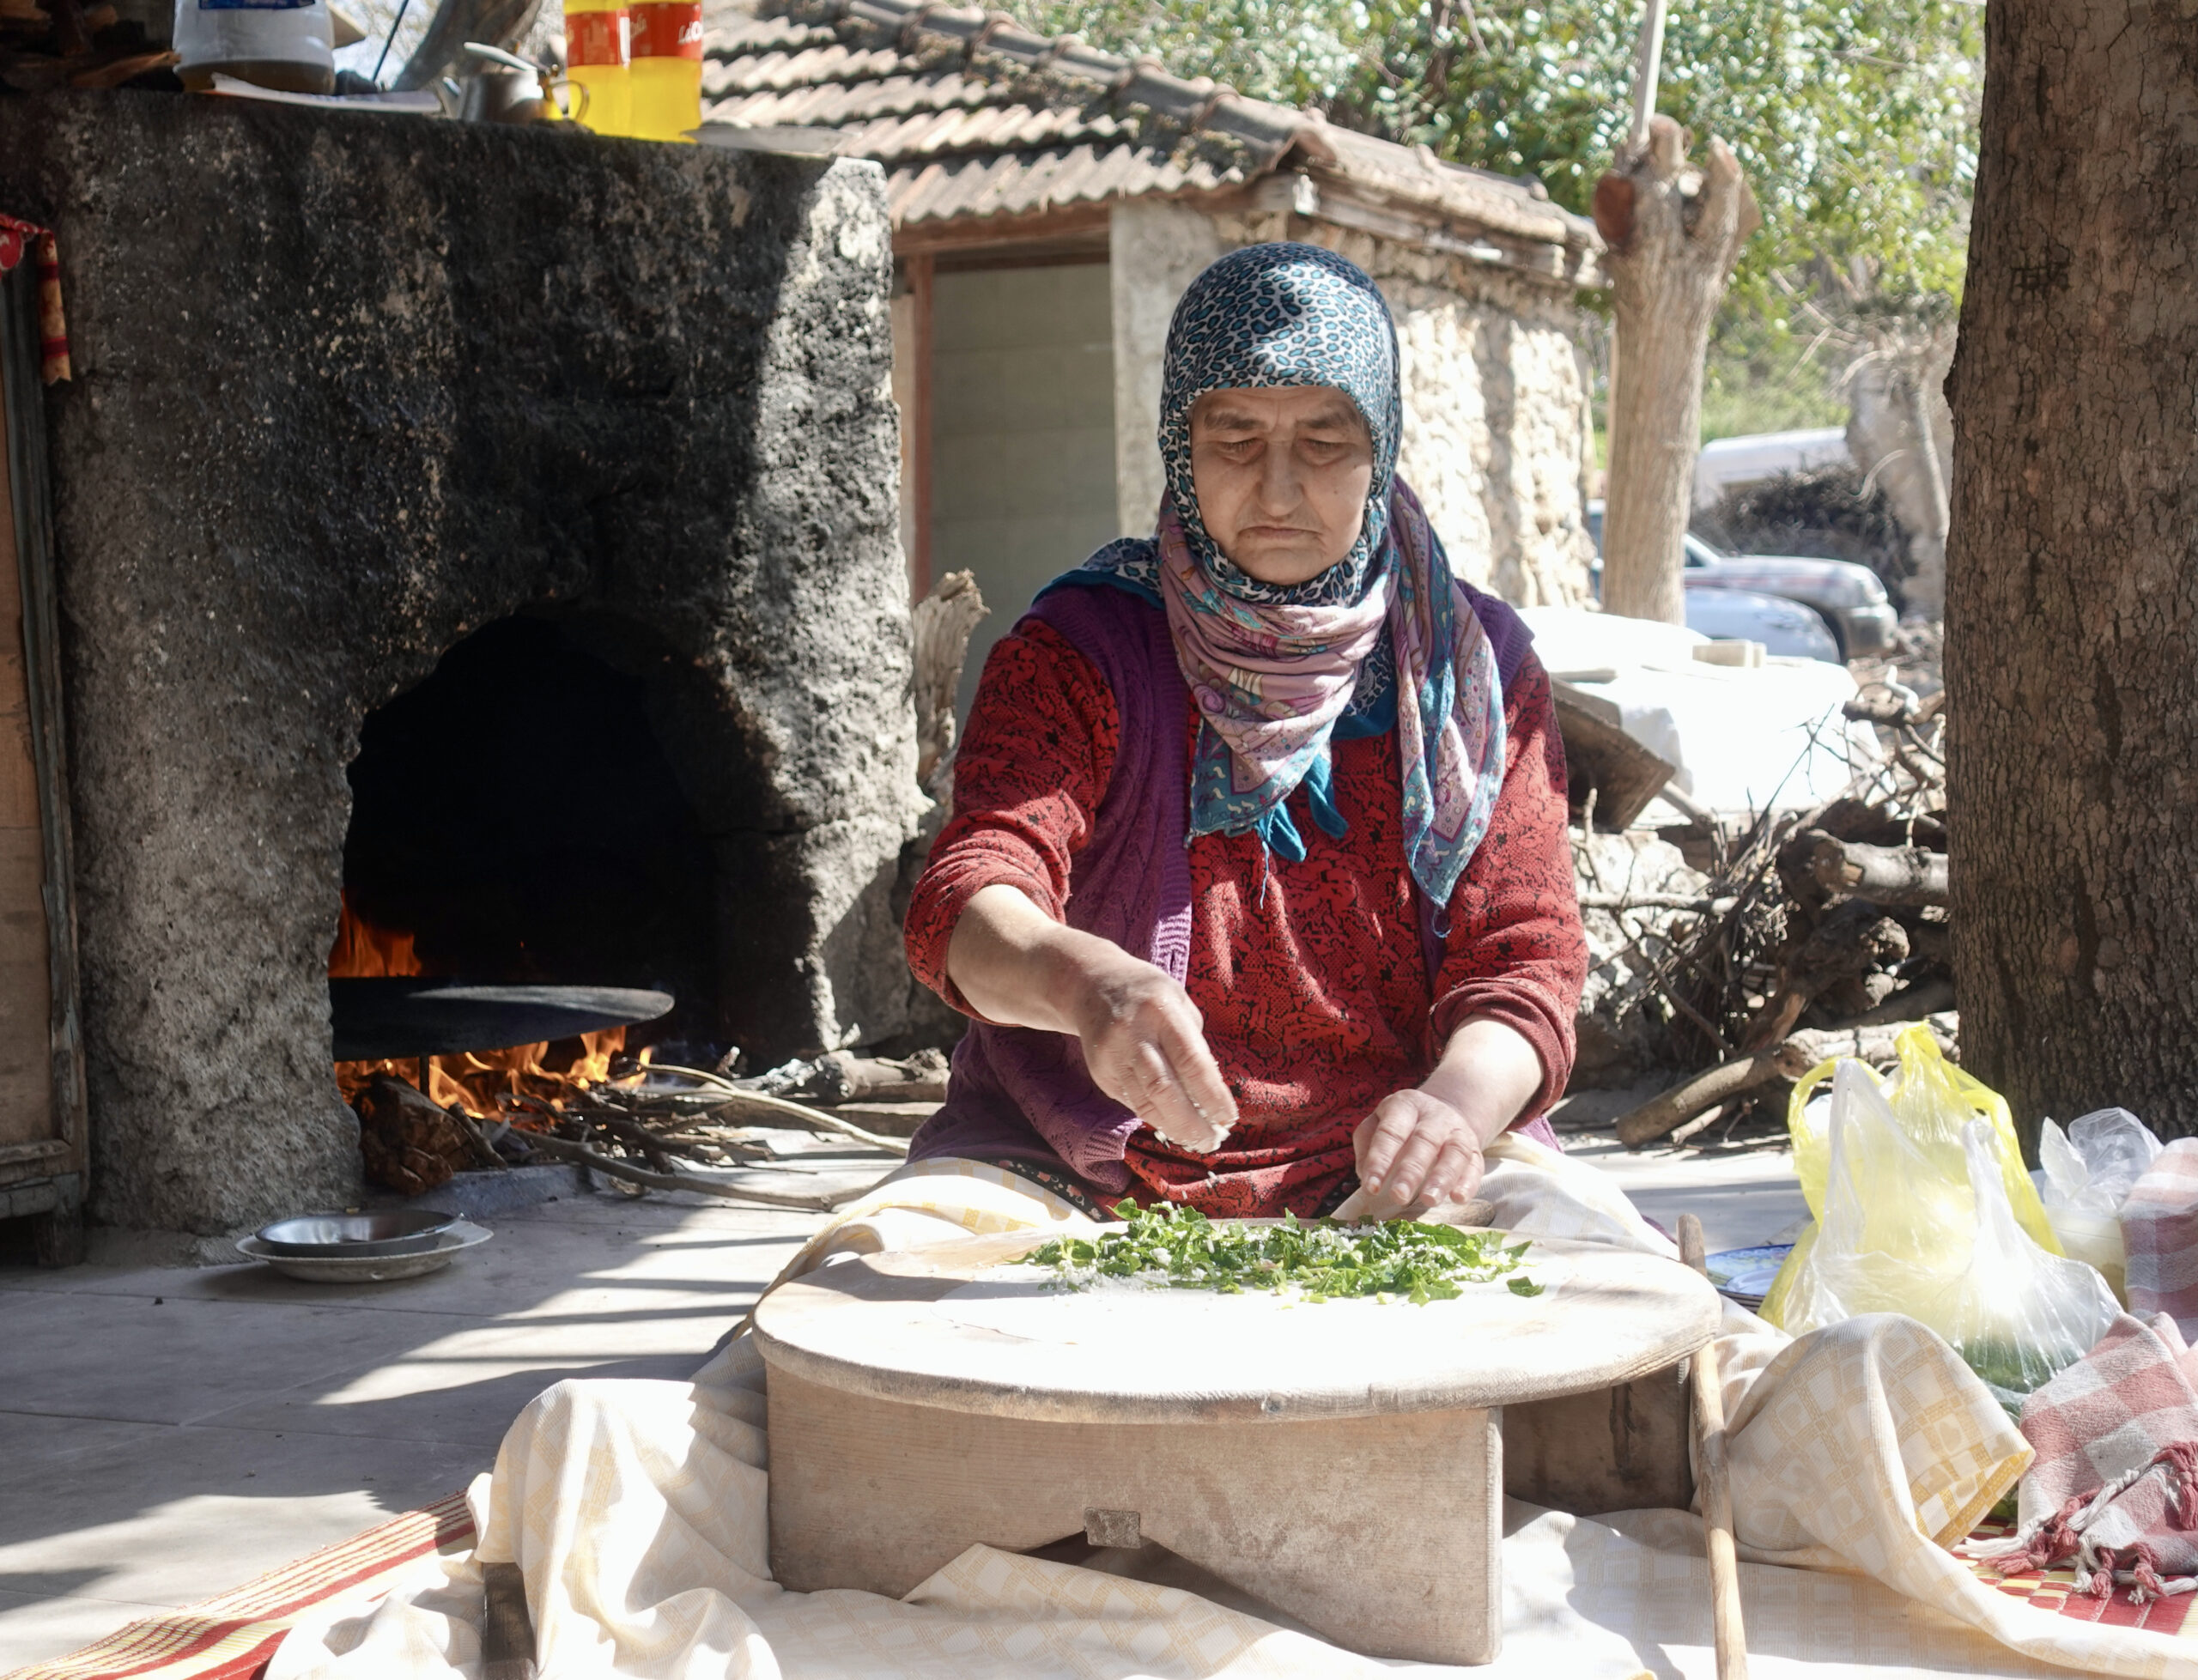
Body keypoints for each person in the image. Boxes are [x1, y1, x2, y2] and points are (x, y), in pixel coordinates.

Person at [901, 240, 1586, 1225]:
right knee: (873, 1323)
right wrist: (1085, 987)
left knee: (1619, 1313)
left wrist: (1451, 1112)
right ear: (1180, 445)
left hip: (1403, 1172)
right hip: (1076, 1168)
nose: (1274, 491)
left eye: (1322, 440)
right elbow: (970, 892)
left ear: (1381, 443)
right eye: (1233, 438)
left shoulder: (1471, 668)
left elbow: (1524, 960)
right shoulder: (1081, 648)